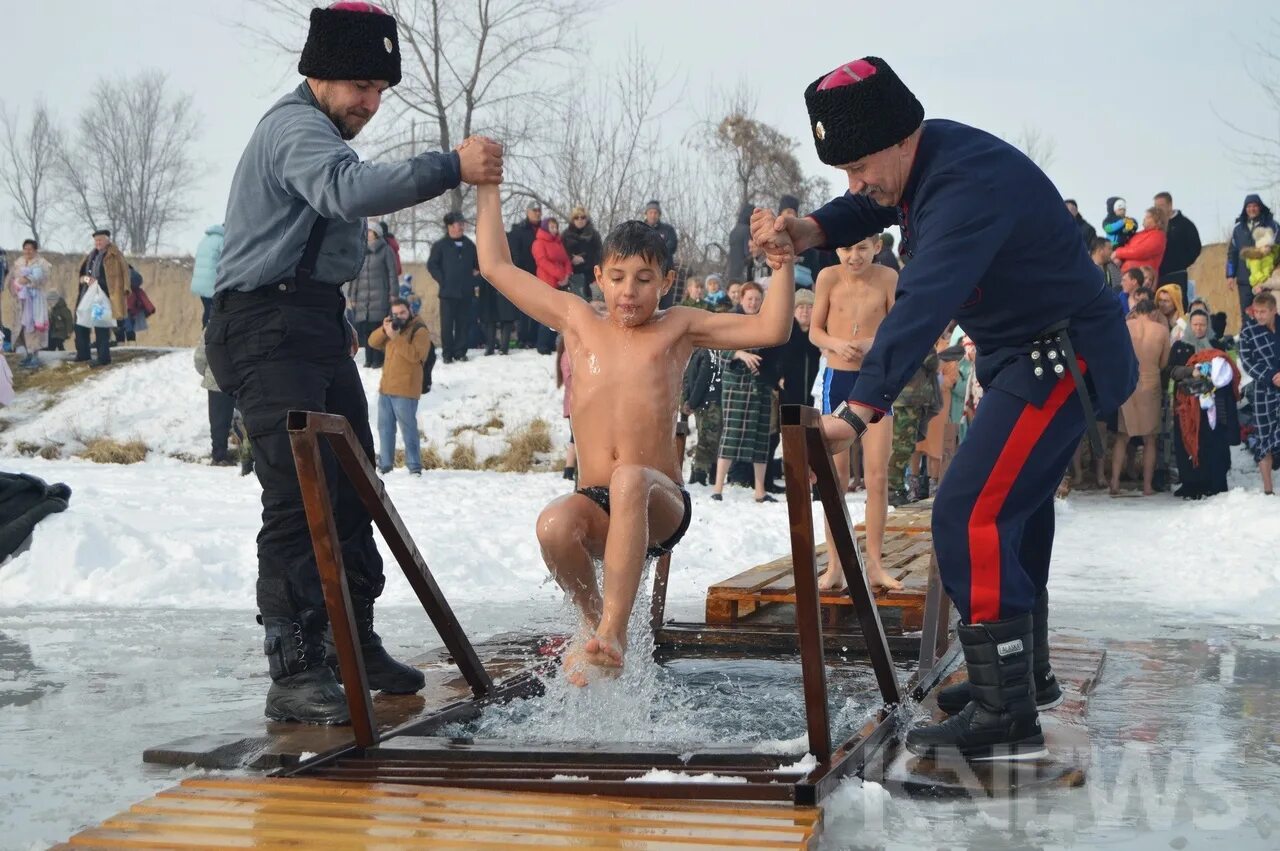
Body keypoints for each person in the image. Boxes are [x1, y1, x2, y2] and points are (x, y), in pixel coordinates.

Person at [752, 56, 1136, 762]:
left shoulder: (963, 189)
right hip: (1035, 356)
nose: (854, 184)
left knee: (970, 511)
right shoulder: (927, 161)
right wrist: (809, 229)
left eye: (859, 165)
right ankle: (1021, 679)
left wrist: (859, 407)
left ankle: (1003, 710)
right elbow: (872, 203)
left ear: (901, 140)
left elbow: (922, 300)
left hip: (1060, 359)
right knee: (1011, 511)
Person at [203, 0, 503, 724]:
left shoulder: (324, 130)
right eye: (361, 88)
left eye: (379, 91)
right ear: (321, 73)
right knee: (297, 498)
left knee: (352, 484)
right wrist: (449, 167)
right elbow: (348, 190)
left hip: (310, 324)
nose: (371, 104)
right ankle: (296, 668)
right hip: (262, 325)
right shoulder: (293, 129)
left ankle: (350, 642)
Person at [474, 179, 795, 684]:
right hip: (596, 500)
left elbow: (772, 329)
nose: (630, 291)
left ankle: (614, 633)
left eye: (645, 279)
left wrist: (781, 267)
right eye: (619, 277)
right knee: (554, 526)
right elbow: (495, 266)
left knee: (629, 478)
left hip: (658, 501)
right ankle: (593, 625)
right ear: (599, 277)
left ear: (666, 282)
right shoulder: (578, 321)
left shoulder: (678, 327)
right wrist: (488, 187)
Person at [810, 237, 900, 591]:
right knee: (837, 479)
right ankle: (835, 565)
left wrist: (870, 345)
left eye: (861, 247)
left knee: (877, 476)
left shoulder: (889, 278)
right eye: (847, 248)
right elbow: (815, 331)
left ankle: (875, 565)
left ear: (876, 246)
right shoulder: (828, 278)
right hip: (838, 379)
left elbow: (898, 331)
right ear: (837, 250)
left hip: (875, 381)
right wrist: (836, 344)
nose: (854, 255)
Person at [712, 282, 781, 503]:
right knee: (731, 435)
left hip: (760, 386)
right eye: (749, 299)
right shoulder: (730, 320)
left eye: (757, 299)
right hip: (736, 386)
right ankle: (718, 487)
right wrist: (740, 354)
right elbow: (716, 349)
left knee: (762, 436)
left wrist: (775, 376)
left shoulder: (767, 321)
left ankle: (759, 490)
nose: (753, 303)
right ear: (741, 299)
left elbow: (776, 350)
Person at [1169, 311, 1240, 500]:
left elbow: (1228, 369)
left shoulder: (1216, 345)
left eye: (1202, 324)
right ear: (1190, 325)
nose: (1199, 328)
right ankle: (1191, 484)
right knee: (1189, 442)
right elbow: (1172, 370)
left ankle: (1214, 482)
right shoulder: (1180, 346)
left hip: (1213, 405)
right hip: (1188, 404)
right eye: (1195, 324)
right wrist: (1191, 371)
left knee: (1214, 443)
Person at [1111, 300, 1171, 496]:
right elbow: (1164, 362)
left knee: (1122, 436)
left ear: (1135, 312)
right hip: (1150, 381)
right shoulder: (1161, 330)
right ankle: (1147, 486)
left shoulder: (1126, 326)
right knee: (1150, 439)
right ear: (1154, 313)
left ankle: (1114, 483)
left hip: (1128, 381)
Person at [367, 298, 431, 475]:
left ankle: (414, 467)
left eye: (402, 313)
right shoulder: (393, 329)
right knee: (385, 428)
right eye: (395, 314)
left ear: (410, 310)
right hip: (386, 388)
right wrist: (384, 329)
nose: (399, 317)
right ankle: (386, 465)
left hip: (406, 389)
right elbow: (372, 342)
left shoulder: (420, 330)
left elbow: (416, 356)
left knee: (408, 429)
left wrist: (395, 338)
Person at [1238, 291, 1280, 495]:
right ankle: (1268, 489)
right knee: (1264, 437)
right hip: (1263, 389)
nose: (1260, 316)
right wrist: (1271, 376)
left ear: (1274, 310)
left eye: (1264, 312)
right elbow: (1246, 361)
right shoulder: (1248, 331)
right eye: (1256, 312)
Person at [427, 211, 480, 364]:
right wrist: (442, 280)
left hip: (466, 292)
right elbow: (432, 265)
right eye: (458, 223)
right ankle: (447, 353)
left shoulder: (470, 245)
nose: (461, 226)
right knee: (447, 325)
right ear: (450, 226)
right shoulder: (440, 246)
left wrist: (473, 281)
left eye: (462, 223)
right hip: (447, 293)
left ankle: (460, 352)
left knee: (463, 324)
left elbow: (479, 267)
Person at [74, 229, 128, 366]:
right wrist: (86, 279)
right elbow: (81, 275)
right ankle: (83, 354)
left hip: (103, 297)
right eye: (96, 240)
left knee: (101, 327)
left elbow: (120, 278)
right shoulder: (91, 256)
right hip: (87, 295)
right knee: (80, 324)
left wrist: (99, 283)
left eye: (100, 240)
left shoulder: (114, 256)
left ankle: (103, 358)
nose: (98, 243)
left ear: (107, 240)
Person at [348, 226, 399, 368]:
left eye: (370, 231)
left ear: (376, 233)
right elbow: (355, 275)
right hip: (363, 297)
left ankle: (378, 359)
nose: (367, 233)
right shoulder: (361, 250)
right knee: (365, 329)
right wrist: (352, 295)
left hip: (381, 295)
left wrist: (394, 294)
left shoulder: (386, 250)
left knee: (377, 327)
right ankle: (368, 359)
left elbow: (392, 273)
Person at [1227, 195, 1278, 326]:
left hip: (1265, 279)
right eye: (1249, 206)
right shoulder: (1238, 228)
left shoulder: (1272, 225)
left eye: (1255, 206)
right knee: (1247, 313)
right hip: (1244, 280)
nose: (1252, 209)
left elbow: (1278, 250)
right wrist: (1230, 275)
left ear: (1260, 207)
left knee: (1266, 313)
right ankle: (1248, 342)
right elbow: (1232, 253)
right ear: (1245, 209)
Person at [5, 240, 52, 368]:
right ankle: (28, 354)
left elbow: (43, 278)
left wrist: (28, 280)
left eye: (30, 249)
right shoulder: (19, 262)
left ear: (35, 250)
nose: (27, 251)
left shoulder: (42, 263)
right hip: (20, 301)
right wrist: (15, 288)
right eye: (25, 248)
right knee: (21, 327)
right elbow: (11, 279)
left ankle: (35, 355)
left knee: (34, 327)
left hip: (35, 300)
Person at [194, 340, 237, 466]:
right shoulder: (243, 322)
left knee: (218, 420)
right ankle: (250, 455)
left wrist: (208, 372)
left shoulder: (212, 326)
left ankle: (219, 456)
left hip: (216, 380)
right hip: (239, 378)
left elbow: (200, 357)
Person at [1152, 192, 1201, 300]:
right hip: (1158, 276)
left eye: (1161, 206)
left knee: (1178, 306)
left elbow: (1196, 248)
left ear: (1170, 205)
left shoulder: (1185, 224)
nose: (1158, 210)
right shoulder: (1154, 226)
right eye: (1156, 207)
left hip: (1177, 274)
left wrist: (1180, 263)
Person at [508, 201, 543, 346]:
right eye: (534, 210)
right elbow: (514, 253)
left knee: (539, 308)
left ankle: (534, 338)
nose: (537, 213)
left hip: (541, 275)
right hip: (523, 274)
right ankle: (523, 339)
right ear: (527, 212)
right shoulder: (518, 230)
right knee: (524, 309)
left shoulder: (544, 229)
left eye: (539, 210)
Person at [562, 206, 603, 300]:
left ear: (586, 218)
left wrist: (585, 260)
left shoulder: (594, 234)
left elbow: (599, 253)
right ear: (573, 219)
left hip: (590, 276)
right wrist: (571, 258)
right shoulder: (566, 235)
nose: (580, 220)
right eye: (577, 217)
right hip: (571, 276)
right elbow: (560, 253)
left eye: (582, 217)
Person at [1112, 207, 1167, 275]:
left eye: (1148, 217)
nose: (1144, 219)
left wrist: (1118, 252)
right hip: (1126, 276)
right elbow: (1127, 245)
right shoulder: (1140, 233)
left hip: (1142, 278)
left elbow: (1140, 252)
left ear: (1158, 222)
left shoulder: (1158, 236)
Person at [192, 224, 226, 327]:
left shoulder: (205, 239)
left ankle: (204, 335)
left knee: (208, 309)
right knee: (215, 312)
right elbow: (227, 259)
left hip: (200, 283)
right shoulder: (222, 240)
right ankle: (208, 338)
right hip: (212, 283)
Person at [556, 333, 576, 481]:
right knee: (575, 438)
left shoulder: (565, 356)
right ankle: (569, 469)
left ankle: (569, 469)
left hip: (571, 404)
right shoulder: (568, 357)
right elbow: (571, 380)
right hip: (574, 404)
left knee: (574, 437)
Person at [727, 203, 755, 283]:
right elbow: (748, 253)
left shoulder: (733, 231)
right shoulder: (747, 230)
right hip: (744, 273)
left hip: (732, 273)